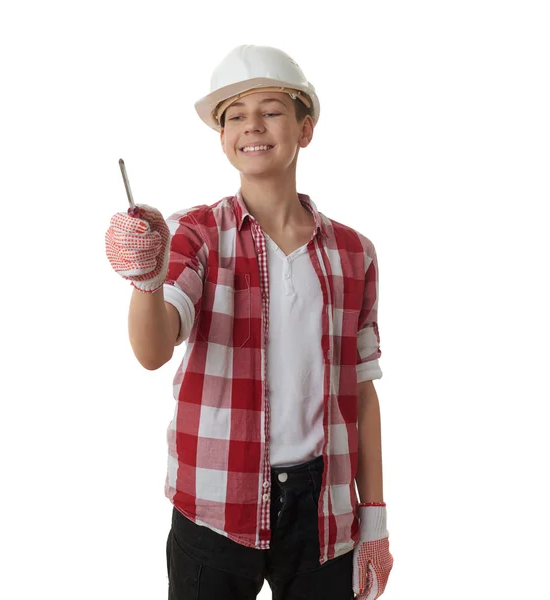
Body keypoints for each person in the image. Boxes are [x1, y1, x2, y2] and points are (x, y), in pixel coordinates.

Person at [105, 44, 393, 600]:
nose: (252, 126)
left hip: (324, 513)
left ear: (305, 129)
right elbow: (153, 348)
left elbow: (362, 392)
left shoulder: (356, 253)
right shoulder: (193, 235)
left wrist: (374, 520)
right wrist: (146, 280)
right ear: (221, 137)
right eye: (235, 115)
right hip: (215, 501)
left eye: (271, 110)